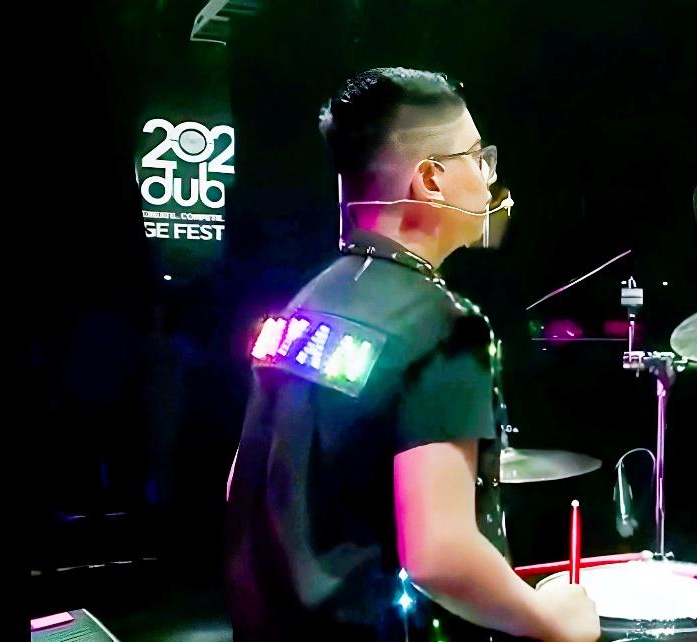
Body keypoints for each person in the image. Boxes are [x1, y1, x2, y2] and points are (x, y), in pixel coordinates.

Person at [224, 67, 600, 642]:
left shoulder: (304, 306)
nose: (488, 176)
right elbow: (440, 556)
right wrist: (555, 621)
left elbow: (243, 487)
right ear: (431, 179)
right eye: (478, 157)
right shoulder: (444, 325)